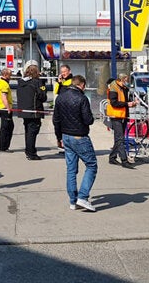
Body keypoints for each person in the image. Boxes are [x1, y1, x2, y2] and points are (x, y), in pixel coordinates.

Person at [52, 75, 98, 212]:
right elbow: (88, 120)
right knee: (91, 165)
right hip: (80, 136)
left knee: (71, 170)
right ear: (82, 85)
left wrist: (58, 137)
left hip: (66, 136)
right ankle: (83, 197)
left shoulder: (60, 97)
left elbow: (56, 120)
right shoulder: (82, 98)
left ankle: (73, 201)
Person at [15, 60, 47, 161]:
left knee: (28, 131)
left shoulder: (21, 82)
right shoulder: (37, 82)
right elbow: (43, 97)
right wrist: (43, 86)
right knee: (33, 132)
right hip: (34, 110)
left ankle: (28, 150)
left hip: (24, 111)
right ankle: (31, 153)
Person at [106, 73, 137, 169]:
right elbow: (114, 102)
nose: (127, 82)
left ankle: (112, 157)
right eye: (126, 79)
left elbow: (126, 101)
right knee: (120, 138)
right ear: (122, 79)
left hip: (122, 115)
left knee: (119, 138)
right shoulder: (114, 87)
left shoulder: (123, 88)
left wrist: (133, 103)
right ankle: (124, 160)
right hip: (115, 115)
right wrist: (127, 104)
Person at [52, 64, 73, 150]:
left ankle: (66, 144)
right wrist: (59, 82)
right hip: (60, 107)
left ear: (69, 71)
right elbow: (56, 92)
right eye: (62, 72)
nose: (63, 74)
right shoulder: (61, 81)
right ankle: (59, 141)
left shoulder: (72, 81)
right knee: (57, 124)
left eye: (65, 72)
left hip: (68, 108)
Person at [0, 68, 15, 152]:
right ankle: (4, 147)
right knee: (7, 128)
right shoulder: (4, 84)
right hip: (4, 108)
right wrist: (8, 108)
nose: (11, 76)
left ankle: (3, 146)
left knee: (6, 127)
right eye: (10, 75)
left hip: (0, 107)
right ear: (5, 75)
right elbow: (4, 97)